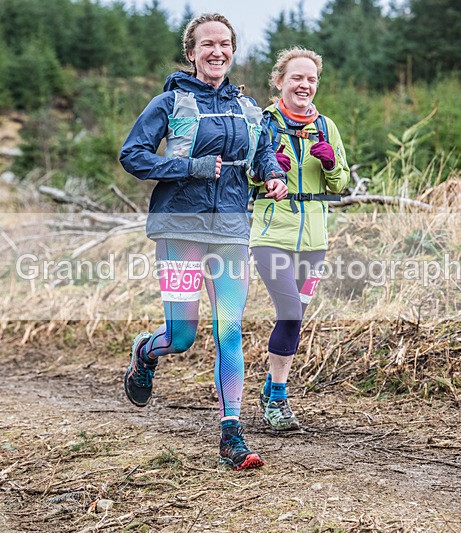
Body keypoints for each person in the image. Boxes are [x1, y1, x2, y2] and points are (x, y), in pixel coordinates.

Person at [119, 13, 288, 470]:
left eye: (225, 44)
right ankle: (145, 352)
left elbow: (264, 149)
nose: (217, 51)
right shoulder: (169, 102)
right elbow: (131, 155)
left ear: (233, 50)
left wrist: (271, 174)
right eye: (207, 44)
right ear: (191, 53)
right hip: (181, 229)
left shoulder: (247, 108)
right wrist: (188, 168)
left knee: (229, 329)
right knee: (182, 336)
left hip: (231, 230)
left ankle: (231, 434)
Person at [249, 48, 350, 431]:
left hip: (314, 239)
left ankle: (272, 387)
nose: (304, 85)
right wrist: (267, 171)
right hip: (272, 234)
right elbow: (243, 178)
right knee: (290, 310)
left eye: (311, 79)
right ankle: (278, 399)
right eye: (297, 78)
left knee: (295, 318)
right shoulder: (263, 123)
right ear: (280, 81)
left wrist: (330, 162)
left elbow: (340, 185)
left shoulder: (326, 126)